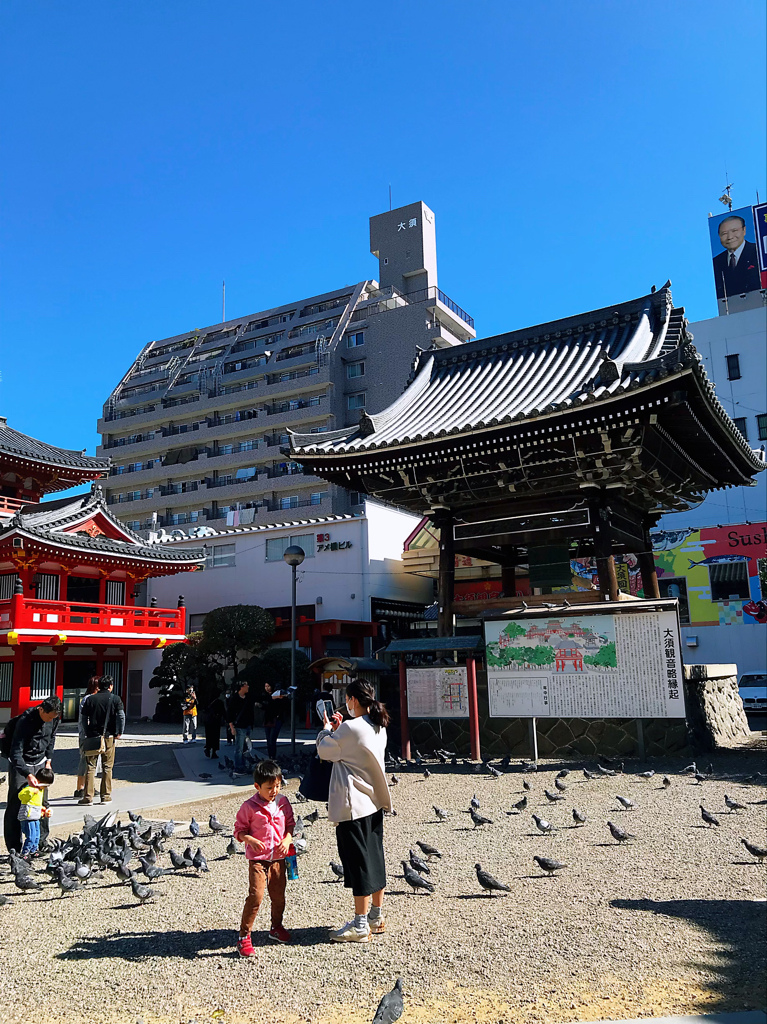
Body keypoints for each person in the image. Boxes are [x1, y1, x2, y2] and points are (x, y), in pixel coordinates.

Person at [316, 678, 392, 943]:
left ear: (353, 700)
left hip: (353, 804)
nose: (345, 703)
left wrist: (327, 729)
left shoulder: (350, 727)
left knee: (357, 863)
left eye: (347, 699)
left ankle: (360, 924)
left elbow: (326, 751)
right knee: (375, 858)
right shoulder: (378, 725)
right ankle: (376, 916)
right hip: (374, 801)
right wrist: (339, 731)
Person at [233, 759, 295, 956]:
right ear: (257, 786)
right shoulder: (249, 807)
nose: (274, 791)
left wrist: (287, 840)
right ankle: (244, 936)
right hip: (258, 860)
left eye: (277, 786)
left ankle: (276, 927)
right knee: (256, 896)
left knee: (278, 896)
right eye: (270, 787)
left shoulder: (283, 802)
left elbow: (291, 825)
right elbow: (238, 831)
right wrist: (249, 839)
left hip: (278, 858)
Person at [4, 695, 62, 855]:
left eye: (53, 718)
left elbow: (51, 740)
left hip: (41, 761)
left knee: (42, 803)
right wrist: (27, 774)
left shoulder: (54, 719)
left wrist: (48, 761)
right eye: (48, 717)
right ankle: (14, 848)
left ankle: (40, 842)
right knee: (16, 803)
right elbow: (16, 751)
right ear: (41, 709)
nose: (49, 721)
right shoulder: (25, 721)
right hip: (21, 763)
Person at [79, 675, 125, 806]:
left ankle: (88, 797)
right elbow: (121, 716)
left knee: (90, 766)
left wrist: (87, 730)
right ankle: (105, 796)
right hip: (109, 735)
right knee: (107, 766)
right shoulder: (115, 699)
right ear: (110, 686)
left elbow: (83, 717)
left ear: (99, 686)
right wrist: (119, 731)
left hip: (93, 735)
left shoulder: (90, 699)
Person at [712, 214, 761, 299]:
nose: (730, 237)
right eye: (724, 233)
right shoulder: (716, 262)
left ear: (744, 230)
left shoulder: (758, 252)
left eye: (734, 231)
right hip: (729, 308)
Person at [17, 765, 54, 858]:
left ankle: (34, 850)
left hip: (36, 816)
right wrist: (31, 791)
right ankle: (25, 853)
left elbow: (37, 805)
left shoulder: (41, 791)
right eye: (45, 785)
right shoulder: (29, 788)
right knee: (31, 836)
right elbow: (21, 795)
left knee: (37, 835)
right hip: (28, 817)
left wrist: (44, 811)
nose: (45, 788)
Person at [74, 677, 100, 799]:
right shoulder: (88, 699)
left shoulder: (90, 698)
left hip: (89, 734)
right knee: (85, 761)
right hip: (86, 734)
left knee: (93, 761)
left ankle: (89, 786)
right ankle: (80, 788)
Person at [227, 680, 253, 771]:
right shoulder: (234, 698)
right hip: (239, 726)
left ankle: (244, 764)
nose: (248, 686)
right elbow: (229, 713)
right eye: (246, 685)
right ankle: (238, 766)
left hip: (247, 725)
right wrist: (231, 727)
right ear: (241, 687)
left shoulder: (248, 697)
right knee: (239, 747)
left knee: (246, 747)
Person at [259, 682, 288, 760]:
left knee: (272, 739)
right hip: (267, 719)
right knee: (268, 740)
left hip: (276, 719)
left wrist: (280, 698)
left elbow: (282, 706)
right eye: (266, 686)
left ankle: (273, 757)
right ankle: (270, 757)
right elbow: (265, 706)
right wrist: (261, 705)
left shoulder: (278, 696)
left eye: (268, 686)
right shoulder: (265, 696)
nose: (267, 688)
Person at [203, 692, 226, 759]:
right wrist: (227, 720)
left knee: (209, 736)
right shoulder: (219, 702)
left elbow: (204, 709)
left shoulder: (207, 701)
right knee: (215, 737)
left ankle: (208, 748)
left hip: (208, 721)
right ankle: (214, 752)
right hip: (216, 721)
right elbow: (223, 712)